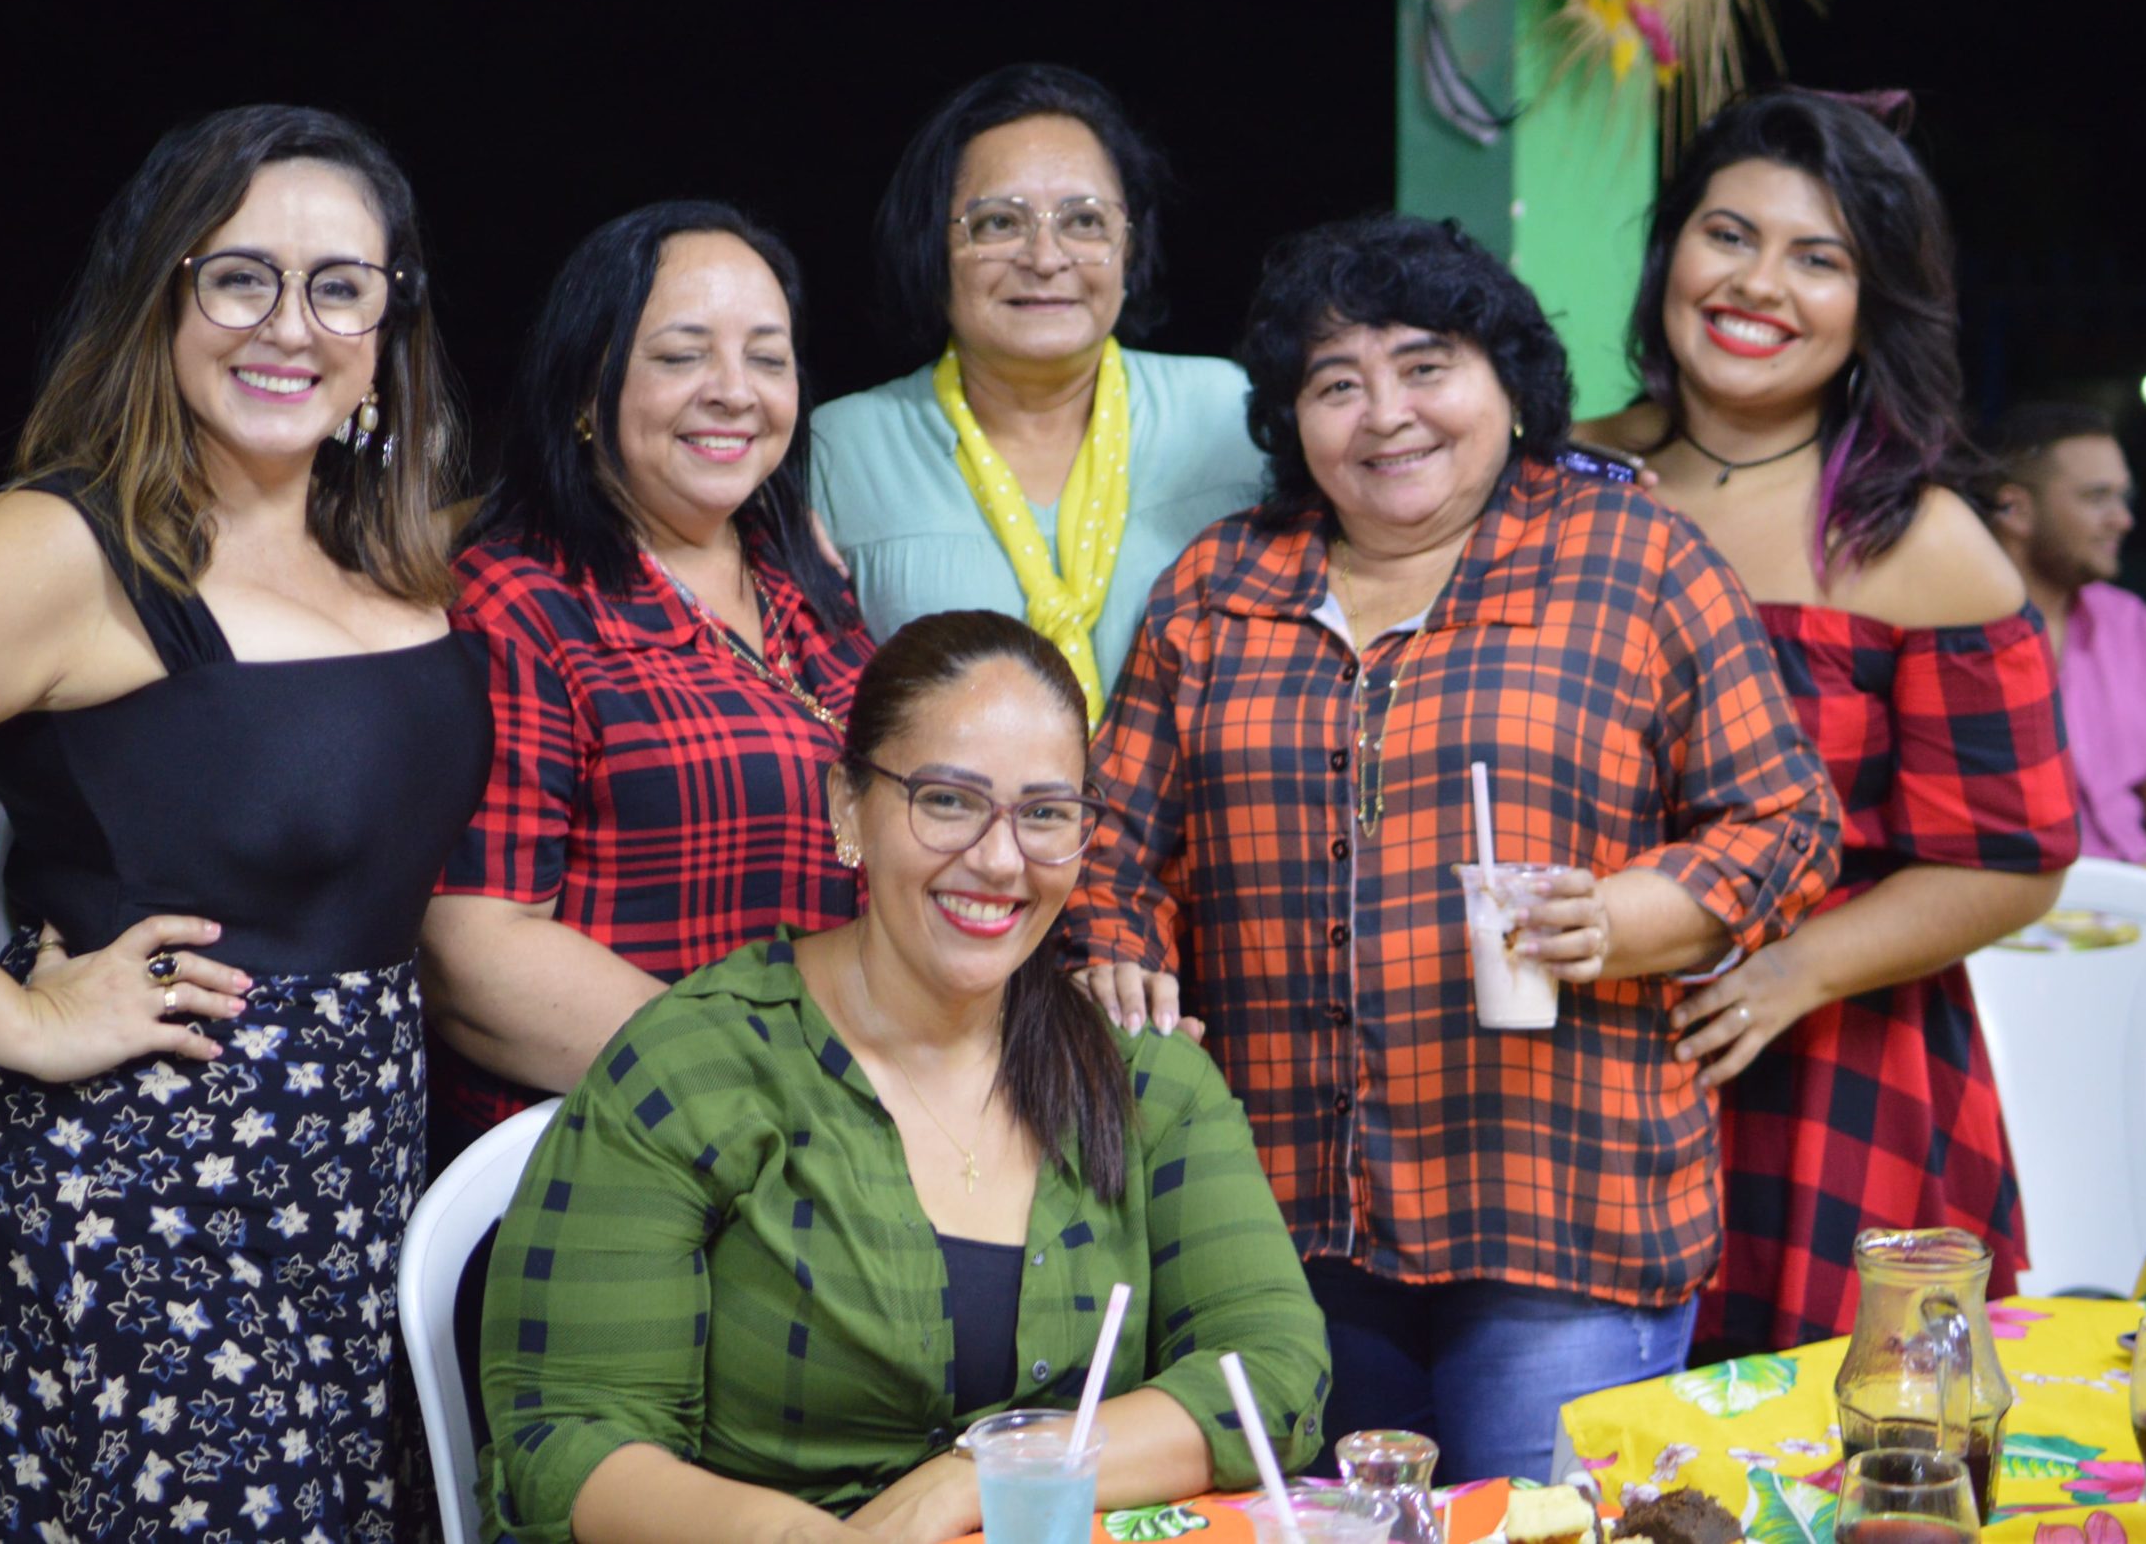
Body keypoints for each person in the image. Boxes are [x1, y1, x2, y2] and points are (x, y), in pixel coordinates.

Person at [0, 104, 489, 1541]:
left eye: (338, 285)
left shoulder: (386, 550)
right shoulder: (68, 547)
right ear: (159, 297)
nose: (288, 324)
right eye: (238, 276)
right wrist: (19, 1020)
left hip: (349, 1202)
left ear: (390, 321)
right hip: (130, 1217)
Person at [1065, 213, 1840, 1480]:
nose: (1385, 415)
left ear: (1508, 385)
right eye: (1335, 383)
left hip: (1564, 1214)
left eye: (1426, 366)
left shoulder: (1631, 559)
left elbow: (1787, 818)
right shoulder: (1218, 587)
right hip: (1280, 1221)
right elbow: (1111, 847)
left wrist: (1628, 917)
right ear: (1292, 420)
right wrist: (1120, 953)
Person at [480, 611, 1333, 1544]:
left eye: (1045, 814)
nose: (1000, 860)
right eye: (949, 801)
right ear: (848, 806)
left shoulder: (1147, 1080)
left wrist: (970, 1483)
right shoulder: (693, 1068)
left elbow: (1273, 1373)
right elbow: (567, 1439)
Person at [1593, 88, 2079, 1351]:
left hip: (1829, 1066)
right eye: (1728, 235)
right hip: (1579, 1064)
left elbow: (2014, 858)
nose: (1757, 284)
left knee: (1818, 1438)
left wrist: (1790, 972)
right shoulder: (1565, 475)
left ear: (1873, 306)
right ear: (1670, 252)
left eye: (1818, 259)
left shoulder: (1917, 539)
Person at [421, 201, 875, 1167]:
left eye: (767, 357)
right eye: (680, 356)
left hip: (830, 1138)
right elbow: (475, 954)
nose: (734, 391)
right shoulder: (518, 601)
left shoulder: (800, 574)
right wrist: (765, 1090)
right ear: (586, 386)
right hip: (634, 1156)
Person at [810, 64, 1267, 724]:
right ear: (933, 248)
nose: (1046, 259)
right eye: (999, 223)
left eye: (1084, 221)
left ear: (1130, 248)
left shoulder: (1231, 416)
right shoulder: (840, 451)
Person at [1986, 400, 2146, 860]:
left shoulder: (2134, 628)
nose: (2123, 520)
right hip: (2013, 899)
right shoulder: (1949, 633)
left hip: (2141, 893)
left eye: (2123, 497)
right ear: (2014, 509)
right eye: (2097, 497)